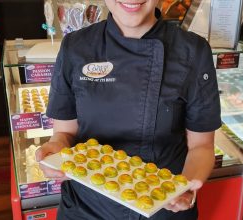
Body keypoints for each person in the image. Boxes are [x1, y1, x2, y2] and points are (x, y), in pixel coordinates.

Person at [36, 0, 221, 219]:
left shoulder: (193, 51)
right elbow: (65, 133)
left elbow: (202, 146)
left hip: (162, 206)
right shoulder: (75, 46)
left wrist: (184, 186)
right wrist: (56, 149)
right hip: (87, 208)